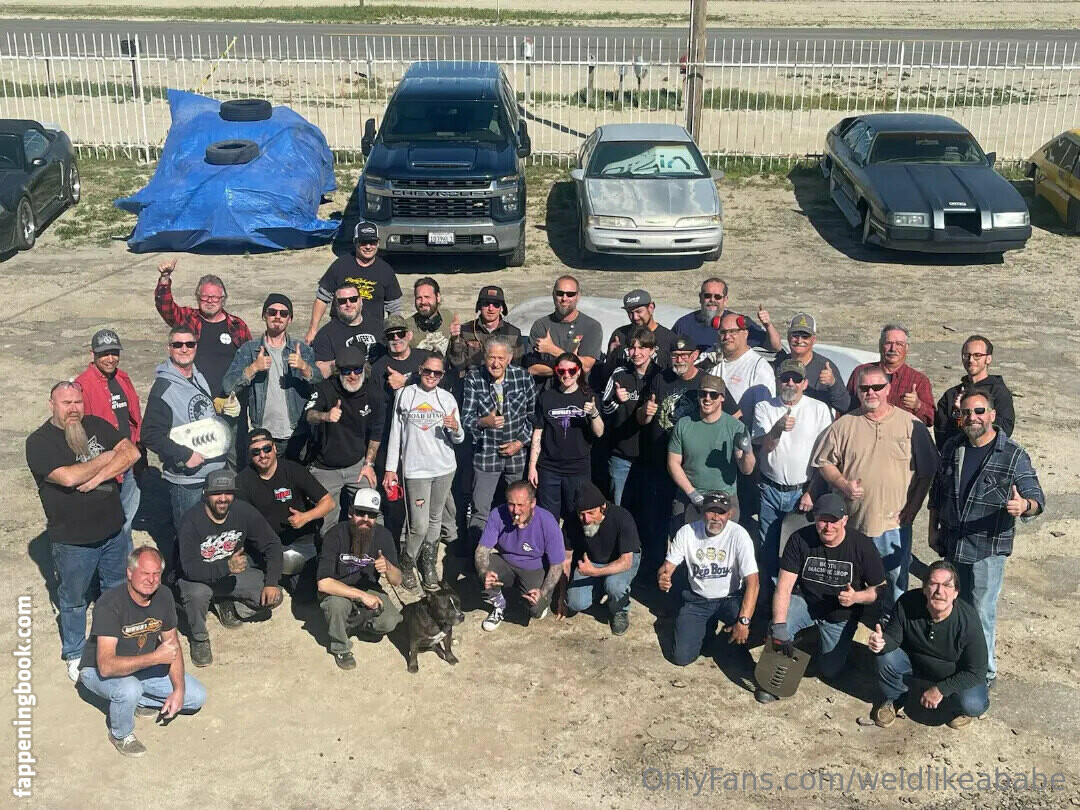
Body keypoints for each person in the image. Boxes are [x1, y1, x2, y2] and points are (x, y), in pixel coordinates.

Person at [928, 389, 1044, 688]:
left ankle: (984, 673)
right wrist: (932, 529)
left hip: (987, 550)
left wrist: (1024, 506)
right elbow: (937, 493)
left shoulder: (1013, 454)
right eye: (966, 412)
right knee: (954, 607)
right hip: (953, 544)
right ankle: (958, 662)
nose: (973, 418)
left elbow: (1036, 496)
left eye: (979, 411)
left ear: (992, 415)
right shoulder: (953, 447)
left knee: (981, 612)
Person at [26, 380, 140, 681]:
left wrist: (97, 477)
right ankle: (75, 652)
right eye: (66, 403)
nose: (73, 409)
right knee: (74, 599)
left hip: (113, 532)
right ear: (52, 405)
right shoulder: (39, 442)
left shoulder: (96, 424)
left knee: (115, 590)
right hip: (73, 541)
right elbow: (67, 477)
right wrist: (105, 458)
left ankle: (114, 643)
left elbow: (131, 453)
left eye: (77, 402)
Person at [813, 366, 939, 618]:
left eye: (877, 387)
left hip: (893, 524)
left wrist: (913, 507)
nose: (871, 392)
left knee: (895, 581)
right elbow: (823, 462)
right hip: (854, 523)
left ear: (888, 389)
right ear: (858, 391)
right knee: (851, 579)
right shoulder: (844, 425)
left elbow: (927, 470)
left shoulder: (911, 425)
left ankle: (892, 626)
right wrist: (842, 483)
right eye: (864, 388)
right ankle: (849, 622)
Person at [78, 546, 207, 757]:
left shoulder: (164, 595)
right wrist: (155, 658)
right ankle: (120, 734)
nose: (151, 580)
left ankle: (139, 700)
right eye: (145, 573)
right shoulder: (109, 605)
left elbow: (172, 643)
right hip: (97, 671)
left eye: (156, 574)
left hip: (141, 666)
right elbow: (106, 666)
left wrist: (178, 689)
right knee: (129, 689)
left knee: (196, 697)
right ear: (130, 573)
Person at [756, 493, 885, 703]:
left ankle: (831, 645)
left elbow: (880, 589)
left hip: (840, 614)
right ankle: (771, 681)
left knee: (830, 670)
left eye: (834, 521)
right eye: (823, 520)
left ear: (844, 520)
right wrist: (779, 626)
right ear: (815, 518)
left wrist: (857, 597)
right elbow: (784, 587)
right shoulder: (799, 539)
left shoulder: (861, 545)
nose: (828, 527)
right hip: (806, 602)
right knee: (779, 625)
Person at [141, 326, 232, 578]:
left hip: (213, 474)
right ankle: (183, 586)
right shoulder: (163, 388)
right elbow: (150, 434)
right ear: (169, 349)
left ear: (196, 347)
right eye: (177, 344)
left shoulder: (197, 376)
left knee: (212, 537)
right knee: (188, 538)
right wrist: (184, 455)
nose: (184, 349)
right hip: (187, 481)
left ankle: (210, 583)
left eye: (189, 344)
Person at [176, 470, 284, 667]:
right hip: (197, 578)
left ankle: (227, 602)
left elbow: (272, 544)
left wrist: (272, 583)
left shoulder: (244, 511)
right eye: (217, 493)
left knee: (274, 597)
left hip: (231, 574)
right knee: (196, 595)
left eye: (228, 493)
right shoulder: (190, 521)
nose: (223, 498)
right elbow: (190, 568)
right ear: (205, 494)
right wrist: (226, 566)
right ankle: (199, 638)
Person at [869, 561, 990, 729]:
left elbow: (977, 671)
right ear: (924, 589)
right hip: (915, 662)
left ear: (956, 593)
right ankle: (895, 698)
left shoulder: (968, 621)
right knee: (885, 656)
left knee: (973, 704)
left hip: (953, 672)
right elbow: (893, 639)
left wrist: (941, 689)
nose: (940, 591)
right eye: (933, 584)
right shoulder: (907, 603)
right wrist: (881, 642)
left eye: (947, 586)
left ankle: (959, 708)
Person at [383, 354, 465, 590]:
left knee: (435, 519)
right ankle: (407, 562)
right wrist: (390, 469)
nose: (432, 376)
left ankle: (428, 563)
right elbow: (396, 434)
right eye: (428, 371)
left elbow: (459, 438)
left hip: (444, 467)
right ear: (420, 370)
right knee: (418, 524)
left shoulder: (447, 398)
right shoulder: (405, 395)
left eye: (437, 373)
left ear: (442, 375)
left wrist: (455, 428)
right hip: (415, 470)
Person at [752, 359, 834, 585]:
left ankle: (796, 595)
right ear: (778, 381)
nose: (790, 383)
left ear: (805, 383)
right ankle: (769, 595)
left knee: (800, 549)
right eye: (785, 378)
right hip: (769, 490)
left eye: (796, 379)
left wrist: (812, 492)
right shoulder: (764, 407)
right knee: (768, 548)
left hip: (802, 493)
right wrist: (778, 428)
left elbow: (824, 457)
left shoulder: (819, 409)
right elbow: (766, 447)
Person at [659, 491, 759, 667]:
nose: (716, 517)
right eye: (711, 511)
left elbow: (753, 583)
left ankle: (725, 636)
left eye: (721, 512)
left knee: (748, 632)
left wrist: (744, 621)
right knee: (682, 658)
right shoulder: (687, 532)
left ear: (730, 514)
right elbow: (667, 566)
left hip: (729, 599)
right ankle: (705, 627)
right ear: (702, 511)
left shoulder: (739, 535)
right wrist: (663, 576)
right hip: (697, 599)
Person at [234, 429, 335, 599]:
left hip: (299, 540)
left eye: (266, 448)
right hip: (265, 544)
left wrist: (305, 517)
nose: (262, 455)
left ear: (275, 448)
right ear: (249, 455)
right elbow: (242, 521)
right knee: (246, 578)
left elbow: (328, 502)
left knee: (308, 596)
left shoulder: (293, 469)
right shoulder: (242, 480)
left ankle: (287, 576)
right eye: (256, 452)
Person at [223, 294, 320, 461]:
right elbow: (228, 387)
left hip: (298, 434)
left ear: (290, 319)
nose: (278, 316)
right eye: (272, 312)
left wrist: (305, 368)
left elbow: (320, 384)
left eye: (284, 313)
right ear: (264, 315)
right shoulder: (249, 350)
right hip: (263, 436)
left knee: (296, 477)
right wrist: (253, 368)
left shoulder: (303, 350)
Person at [316, 487, 404, 670]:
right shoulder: (335, 534)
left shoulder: (384, 535)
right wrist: (361, 596)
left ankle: (356, 624)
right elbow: (324, 583)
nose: (365, 519)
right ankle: (341, 647)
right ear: (350, 512)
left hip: (368, 587)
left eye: (371, 515)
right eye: (360, 513)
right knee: (336, 606)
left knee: (391, 620)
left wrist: (388, 567)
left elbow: (397, 580)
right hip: (338, 588)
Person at [462, 336, 536, 543]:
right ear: (484, 357)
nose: (496, 363)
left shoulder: (523, 377)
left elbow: (534, 418)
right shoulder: (474, 378)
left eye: (501, 358)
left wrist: (520, 442)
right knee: (480, 509)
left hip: (516, 455)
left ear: (509, 358)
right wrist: (483, 422)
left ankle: (519, 548)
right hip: (486, 455)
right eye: (491, 357)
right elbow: (465, 419)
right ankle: (477, 553)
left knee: (520, 508)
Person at [75, 329, 143, 552]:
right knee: (105, 524)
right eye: (105, 354)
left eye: (115, 353)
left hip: (128, 461)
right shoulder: (82, 385)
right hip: (103, 466)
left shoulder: (123, 378)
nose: (111, 359)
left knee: (126, 521)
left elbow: (134, 418)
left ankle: (126, 564)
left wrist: (139, 446)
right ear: (92, 354)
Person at [304, 345, 384, 532]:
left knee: (372, 513)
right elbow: (308, 415)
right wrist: (325, 416)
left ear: (364, 369)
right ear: (338, 371)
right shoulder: (325, 388)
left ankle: (373, 549)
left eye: (357, 370)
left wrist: (369, 464)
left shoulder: (373, 392)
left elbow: (376, 431)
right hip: (325, 467)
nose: (353, 376)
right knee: (326, 524)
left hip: (357, 465)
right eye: (347, 371)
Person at [367, 315, 433, 539]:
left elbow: (445, 382)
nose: (396, 339)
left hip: (425, 440)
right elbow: (376, 414)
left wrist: (407, 382)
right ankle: (393, 545)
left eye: (400, 333)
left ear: (409, 335)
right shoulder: (378, 368)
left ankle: (422, 545)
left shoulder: (424, 359)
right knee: (394, 499)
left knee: (423, 500)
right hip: (392, 441)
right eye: (390, 336)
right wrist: (372, 457)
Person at [154, 258, 252, 398]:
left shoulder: (238, 326)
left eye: (215, 297)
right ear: (198, 298)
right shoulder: (188, 319)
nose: (210, 301)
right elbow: (166, 308)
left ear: (223, 299)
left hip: (231, 401)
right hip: (193, 399)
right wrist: (165, 278)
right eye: (205, 297)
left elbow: (249, 360)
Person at [475, 481, 565, 631]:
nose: (516, 510)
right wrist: (483, 572)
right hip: (506, 561)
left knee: (536, 609)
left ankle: (535, 598)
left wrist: (543, 592)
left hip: (533, 568)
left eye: (521, 505)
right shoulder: (497, 514)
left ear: (532, 503)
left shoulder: (547, 521)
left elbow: (556, 565)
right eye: (511, 504)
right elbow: (482, 550)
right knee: (481, 569)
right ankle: (499, 605)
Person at [668, 374, 754, 533]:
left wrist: (748, 451)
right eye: (703, 393)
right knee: (683, 544)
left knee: (723, 546)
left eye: (713, 395)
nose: (707, 399)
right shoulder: (684, 424)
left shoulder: (736, 427)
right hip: (689, 498)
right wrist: (692, 493)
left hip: (724, 501)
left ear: (722, 398)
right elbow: (673, 463)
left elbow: (746, 469)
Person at [527, 352, 603, 522]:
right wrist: (532, 467)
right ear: (556, 371)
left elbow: (599, 432)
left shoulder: (589, 396)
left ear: (579, 371)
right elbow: (538, 432)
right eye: (561, 371)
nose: (566, 375)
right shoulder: (546, 397)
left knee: (576, 516)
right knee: (547, 518)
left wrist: (594, 413)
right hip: (549, 468)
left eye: (571, 370)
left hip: (578, 469)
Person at [558, 483, 641, 635]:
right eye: (581, 514)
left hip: (621, 559)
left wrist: (594, 572)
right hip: (592, 561)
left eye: (591, 513)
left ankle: (620, 610)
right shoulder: (571, 521)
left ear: (603, 507)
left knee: (614, 585)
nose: (586, 519)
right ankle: (600, 589)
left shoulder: (622, 517)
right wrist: (562, 596)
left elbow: (626, 561)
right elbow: (566, 560)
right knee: (575, 603)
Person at [305, 221, 403, 345]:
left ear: (378, 243)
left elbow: (394, 308)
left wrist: (395, 334)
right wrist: (312, 330)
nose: (368, 247)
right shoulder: (340, 265)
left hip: (373, 334)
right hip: (340, 329)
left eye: (372, 242)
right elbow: (322, 299)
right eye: (363, 242)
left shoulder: (386, 271)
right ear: (355, 242)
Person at [600, 326, 660, 507]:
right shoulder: (620, 374)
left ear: (652, 350)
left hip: (651, 456)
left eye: (642, 348)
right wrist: (617, 400)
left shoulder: (660, 375)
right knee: (619, 505)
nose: (636, 353)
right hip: (622, 454)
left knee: (647, 508)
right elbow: (604, 410)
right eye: (632, 348)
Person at [933, 335, 1015, 450]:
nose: (971, 360)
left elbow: (1006, 428)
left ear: (988, 359)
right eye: (967, 355)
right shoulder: (951, 395)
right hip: (955, 456)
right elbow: (941, 435)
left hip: (989, 455)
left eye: (977, 355)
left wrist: (968, 412)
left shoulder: (999, 392)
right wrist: (958, 416)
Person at [847, 323, 934, 426]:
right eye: (888, 343)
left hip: (900, 434)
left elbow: (931, 419)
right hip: (863, 432)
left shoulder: (919, 380)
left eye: (899, 344)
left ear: (907, 347)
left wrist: (918, 405)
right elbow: (845, 408)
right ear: (880, 345)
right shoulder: (861, 372)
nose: (893, 349)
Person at [671, 278, 781, 353]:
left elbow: (775, 347)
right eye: (708, 296)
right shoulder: (684, 324)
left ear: (725, 300)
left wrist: (768, 325)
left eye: (718, 297)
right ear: (700, 298)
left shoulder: (738, 322)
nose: (712, 300)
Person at [705, 312, 776, 427]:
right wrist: (704, 365)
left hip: (739, 434)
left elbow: (764, 415)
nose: (727, 337)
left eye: (733, 332)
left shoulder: (759, 368)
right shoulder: (710, 357)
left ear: (745, 334)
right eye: (723, 332)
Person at [525, 275, 603, 379]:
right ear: (553, 295)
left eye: (570, 294)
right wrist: (573, 364)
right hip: (546, 388)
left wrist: (553, 350)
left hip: (578, 388)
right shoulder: (540, 325)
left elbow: (586, 366)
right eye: (560, 293)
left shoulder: (591, 326)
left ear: (578, 296)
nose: (564, 298)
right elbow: (532, 369)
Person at [771, 313, 850, 413]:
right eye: (795, 335)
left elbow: (844, 406)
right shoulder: (778, 364)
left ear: (814, 339)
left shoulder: (826, 367)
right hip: (781, 418)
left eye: (805, 336)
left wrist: (833, 384)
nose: (799, 340)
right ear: (788, 337)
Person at [446, 285, 524, 375]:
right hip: (473, 380)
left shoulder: (513, 333)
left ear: (502, 308)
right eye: (486, 304)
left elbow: (517, 368)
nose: (491, 308)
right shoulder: (465, 330)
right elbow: (457, 365)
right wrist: (455, 339)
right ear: (479, 306)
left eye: (496, 304)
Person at [311, 282, 380, 379]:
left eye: (353, 299)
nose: (348, 304)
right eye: (342, 301)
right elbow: (318, 371)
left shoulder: (379, 327)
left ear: (361, 301)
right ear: (336, 304)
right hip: (344, 385)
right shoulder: (325, 335)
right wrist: (344, 361)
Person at [605, 289, 676, 371]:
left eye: (639, 311)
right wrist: (612, 356)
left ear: (651, 307)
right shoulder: (620, 335)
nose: (635, 317)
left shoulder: (669, 338)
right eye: (630, 313)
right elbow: (607, 373)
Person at [408, 277, 460, 356]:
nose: (423, 302)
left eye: (427, 297)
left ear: (438, 297)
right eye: (419, 298)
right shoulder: (407, 326)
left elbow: (457, 356)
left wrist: (456, 339)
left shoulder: (448, 316)